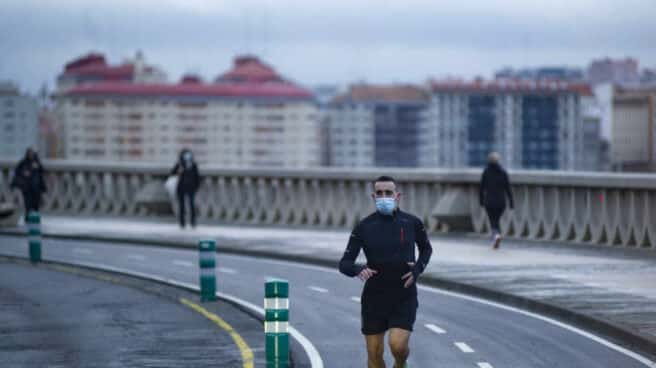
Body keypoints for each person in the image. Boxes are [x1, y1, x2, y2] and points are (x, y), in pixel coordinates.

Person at [339, 175, 432, 368]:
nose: (384, 197)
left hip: (403, 294)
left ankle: (401, 363)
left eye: (388, 193)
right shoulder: (364, 227)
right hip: (374, 297)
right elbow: (344, 263)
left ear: (397, 196)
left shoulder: (412, 223)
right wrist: (358, 269)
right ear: (373, 197)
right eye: (379, 193)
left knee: (397, 346)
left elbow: (426, 249)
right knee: (374, 353)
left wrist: (417, 270)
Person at [479, 152, 514, 250]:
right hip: (501, 202)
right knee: (497, 219)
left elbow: (481, 188)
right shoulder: (503, 172)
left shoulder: (486, 172)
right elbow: (508, 188)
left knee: (493, 220)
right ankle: (497, 235)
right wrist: (511, 202)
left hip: (489, 201)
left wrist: (481, 200)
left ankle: (496, 235)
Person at [10, 148, 47, 221]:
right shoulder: (23, 162)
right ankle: (27, 218)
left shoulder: (37, 162)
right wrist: (24, 173)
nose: (31, 155)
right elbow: (17, 172)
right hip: (27, 187)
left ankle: (35, 219)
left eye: (32, 153)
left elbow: (42, 172)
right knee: (28, 204)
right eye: (29, 153)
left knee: (36, 204)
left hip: (36, 188)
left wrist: (37, 167)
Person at [170, 148, 200, 228]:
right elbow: (172, 173)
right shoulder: (180, 165)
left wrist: (196, 187)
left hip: (191, 188)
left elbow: (197, 177)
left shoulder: (193, 164)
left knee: (191, 205)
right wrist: (179, 171)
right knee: (182, 205)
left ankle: (192, 221)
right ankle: (182, 222)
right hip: (181, 188)